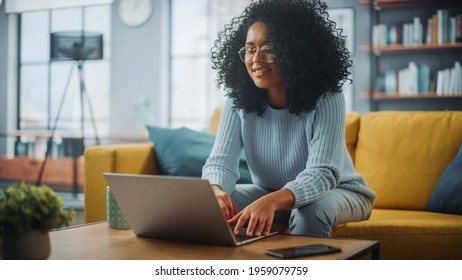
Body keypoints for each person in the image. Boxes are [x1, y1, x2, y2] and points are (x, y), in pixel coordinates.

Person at [201, 0, 376, 238]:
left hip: (339, 191)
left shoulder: (327, 97)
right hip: (269, 191)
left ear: (294, 50)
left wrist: (271, 201)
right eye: (250, 49)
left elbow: (322, 173)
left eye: (269, 49)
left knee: (309, 212)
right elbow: (220, 162)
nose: (255, 59)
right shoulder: (237, 100)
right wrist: (215, 189)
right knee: (210, 207)